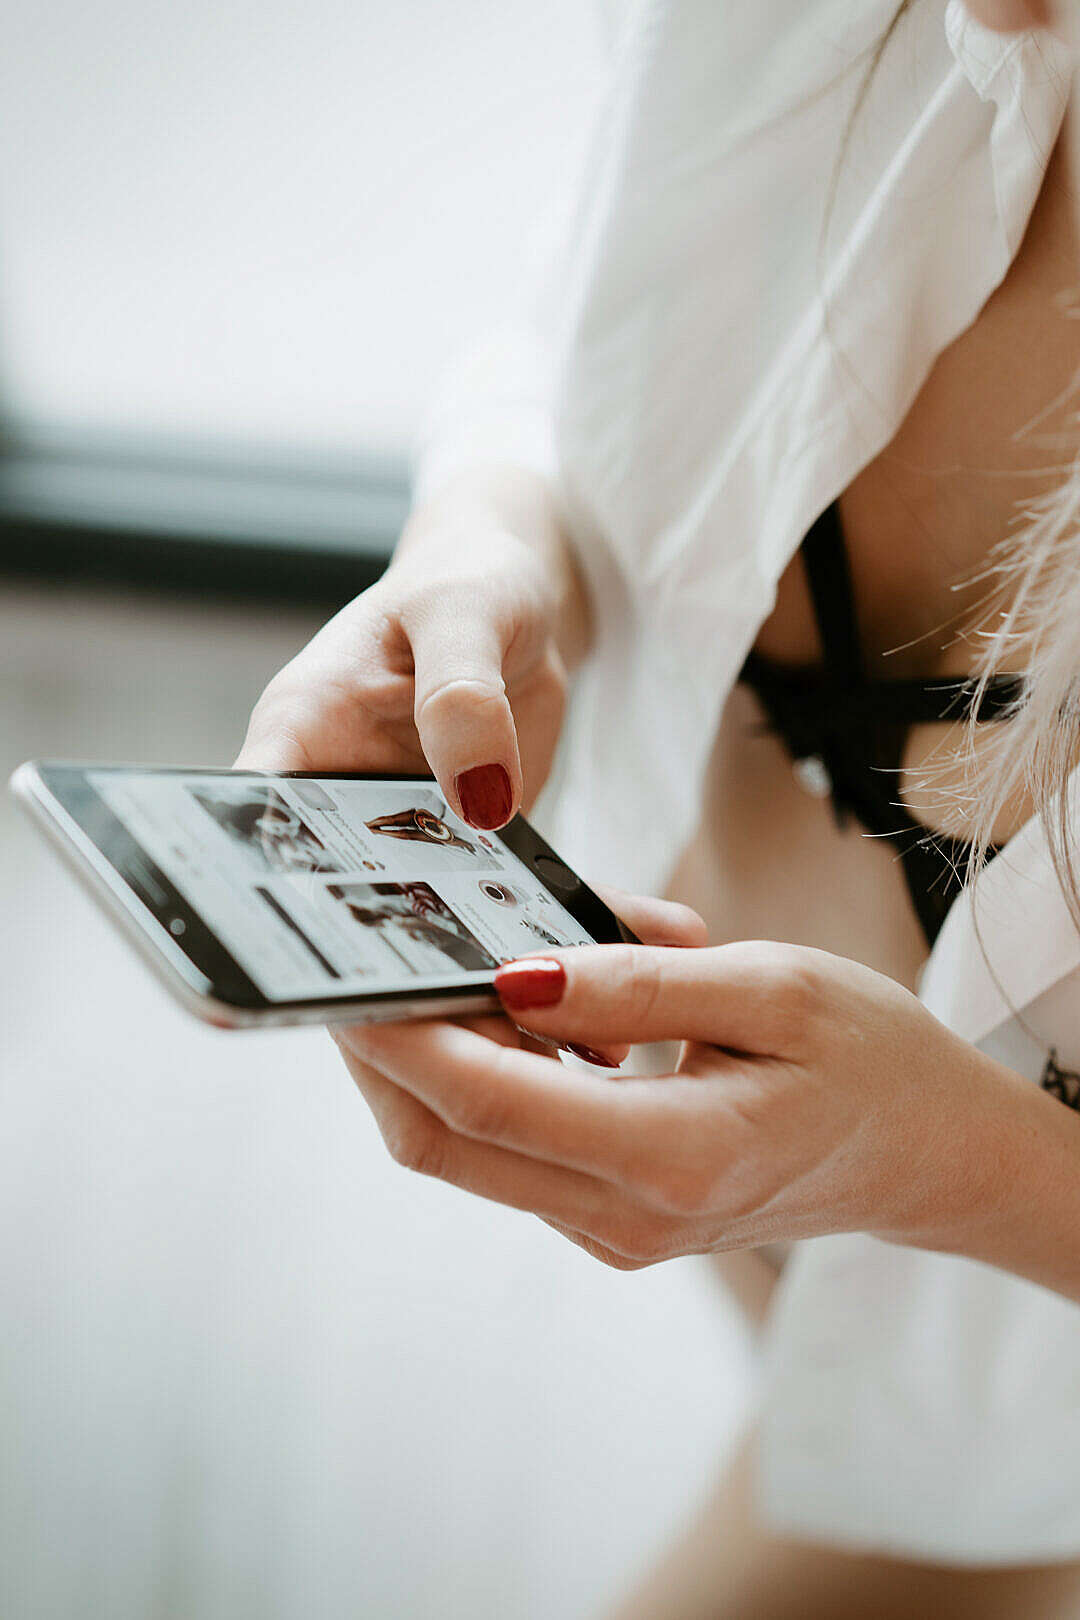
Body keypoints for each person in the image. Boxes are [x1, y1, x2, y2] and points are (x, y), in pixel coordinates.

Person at [238, 1, 1080, 1613]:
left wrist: (965, 1171)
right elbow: (577, 321)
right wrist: (489, 540)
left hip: (1021, 1401)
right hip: (809, 1269)